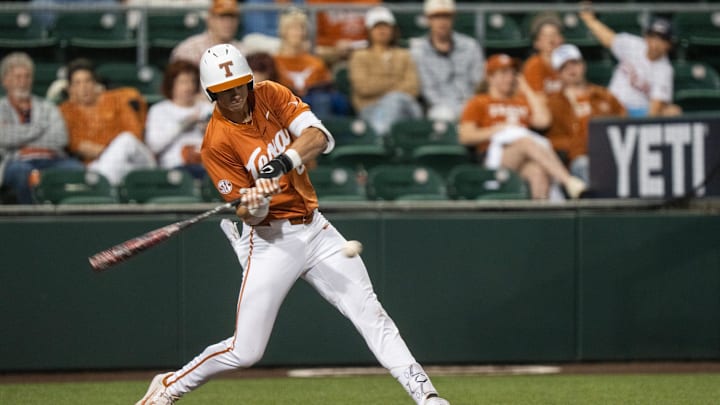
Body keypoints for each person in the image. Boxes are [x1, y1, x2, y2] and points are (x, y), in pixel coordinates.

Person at [135, 43, 451, 405]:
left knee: (371, 314)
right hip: (271, 241)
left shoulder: (269, 94)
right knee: (246, 351)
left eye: (239, 84)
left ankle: (426, 395)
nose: (235, 94)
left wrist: (281, 163)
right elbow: (246, 214)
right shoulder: (215, 143)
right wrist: (257, 200)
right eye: (225, 90)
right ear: (212, 93)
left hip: (316, 229)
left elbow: (317, 136)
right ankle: (169, 386)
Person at [458, 53, 586, 200]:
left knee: (538, 172)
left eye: (512, 73)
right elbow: (465, 136)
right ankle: (568, 181)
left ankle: (541, 215)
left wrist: (526, 87)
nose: (510, 77)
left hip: (525, 158)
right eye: (503, 73)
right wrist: (498, 129)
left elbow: (543, 121)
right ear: (490, 77)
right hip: (494, 156)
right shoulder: (479, 102)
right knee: (525, 141)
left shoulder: (521, 101)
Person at [0, 52, 84, 204]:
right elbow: (4, 137)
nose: (23, 82)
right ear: (6, 81)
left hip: (52, 159)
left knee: (77, 169)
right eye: (18, 77)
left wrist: (22, 139)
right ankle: (30, 219)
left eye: (27, 77)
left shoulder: (47, 107)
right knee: (22, 172)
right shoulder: (1, 108)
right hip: (17, 160)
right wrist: (39, 128)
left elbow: (60, 138)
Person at [59, 58, 156, 186]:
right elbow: (76, 145)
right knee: (107, 169)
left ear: (95, 84)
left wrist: (109, 151)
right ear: (70, 88)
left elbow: (134, 136)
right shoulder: (66, 110)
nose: (84, 87)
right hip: (100, 167)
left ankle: (101, 186)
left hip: (137, 160)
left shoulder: (115, 99)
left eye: (88, 81)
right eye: (77, 83)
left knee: (125, 140)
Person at [579, 3, 681, 117]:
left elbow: (655, 107)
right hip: (613, 104)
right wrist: (590, 20)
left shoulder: (665, 70)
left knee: (672, 111)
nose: (656, 43)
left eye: (662, 39)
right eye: (653, 36)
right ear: (646, 37)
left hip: (638, 113)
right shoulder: (633, 44)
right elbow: (608, 38)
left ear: (669, 45)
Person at [545, 44, 626, 183]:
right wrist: (581, 144)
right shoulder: (554, 104)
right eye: (564, 67)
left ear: (583, 65)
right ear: (558, 74)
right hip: (577, 161)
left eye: (575, 63)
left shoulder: (604, 96)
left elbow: (625, 123)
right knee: (585, 165)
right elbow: (553, 141)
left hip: (611, 154)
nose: (571, 69)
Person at [349, 6, 422, 136]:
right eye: (377, 26)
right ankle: (384, 142)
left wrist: (382, 86)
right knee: (394, 101)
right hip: (371, 108)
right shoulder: (359, 56)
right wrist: (396, 83)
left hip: (405, 106)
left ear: (393, 29)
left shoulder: (405, 55)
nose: (382, 30)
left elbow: (413, 87)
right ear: (369, 30)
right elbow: (363, 87)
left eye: (386, 26)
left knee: (398, 101)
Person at [409, 0, 484, 122]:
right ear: (428, 20)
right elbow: (427, 90)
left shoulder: (470, 45)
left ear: (453, 19)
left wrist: (471, 105)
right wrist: (453, 108)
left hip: (469, 102)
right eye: (436, 17)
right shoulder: (418, 50)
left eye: (446, 17)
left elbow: (478, 82)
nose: (442, 22)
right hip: (439, 107)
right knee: (443, 115)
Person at [273, 7, 350, 118]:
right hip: (285, 113)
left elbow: (329, 89)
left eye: (302, 28)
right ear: (284, 31)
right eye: (293, 28)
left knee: (324, 100)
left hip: (316, 111)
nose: (298, 33)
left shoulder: (315, 63)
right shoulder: (274, 62)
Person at [144, 61, 213, 179]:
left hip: (207, 165)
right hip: (175, 167)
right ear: (171, 84)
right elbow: (153, 145)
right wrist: (183, 124)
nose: (189, 87)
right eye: (183, 82)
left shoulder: (207, 107)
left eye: (192, 81)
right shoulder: (159, 110)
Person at [306, 0, 381, 68]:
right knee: (315, 50)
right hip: (331, 50)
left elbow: (381, 33)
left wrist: (355, 46)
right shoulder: (316, 2)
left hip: (364, 49)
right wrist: (335, 45)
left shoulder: (371, 2)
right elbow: (314, 38)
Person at [169, 0, 245, 66]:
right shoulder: (190, 49)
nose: (228, 23)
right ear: (209, 19)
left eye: (233, 17)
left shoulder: (244, 51)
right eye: (222, 17)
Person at [522, 12, 565, 96]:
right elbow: (538, 98)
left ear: (562, 39)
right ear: (536, 43)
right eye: (546, 36)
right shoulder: (534, 65)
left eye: (555, 34)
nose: (551, 40)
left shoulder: (569, 63)